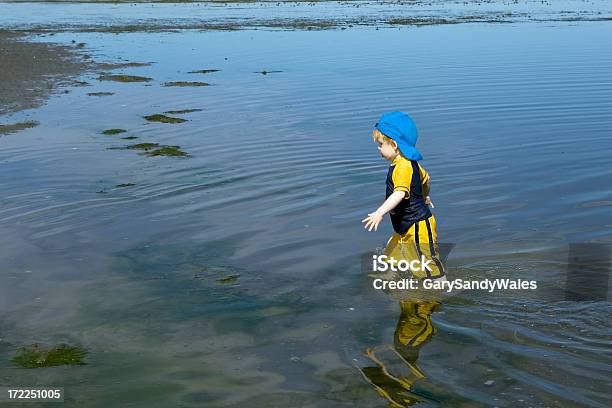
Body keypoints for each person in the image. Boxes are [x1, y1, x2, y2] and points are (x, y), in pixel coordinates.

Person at [362, 111, 446, 281]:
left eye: (380, 144)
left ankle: (437, 290)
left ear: (393, 144)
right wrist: (424, 196)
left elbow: (399, 193)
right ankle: (392, 280)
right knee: (391, 258)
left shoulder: (403, 167)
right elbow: (426, 179)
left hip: (418, 225)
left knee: (426, 265)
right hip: (405, 225)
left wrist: (379, 213)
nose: (379, 148)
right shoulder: (408, 163)